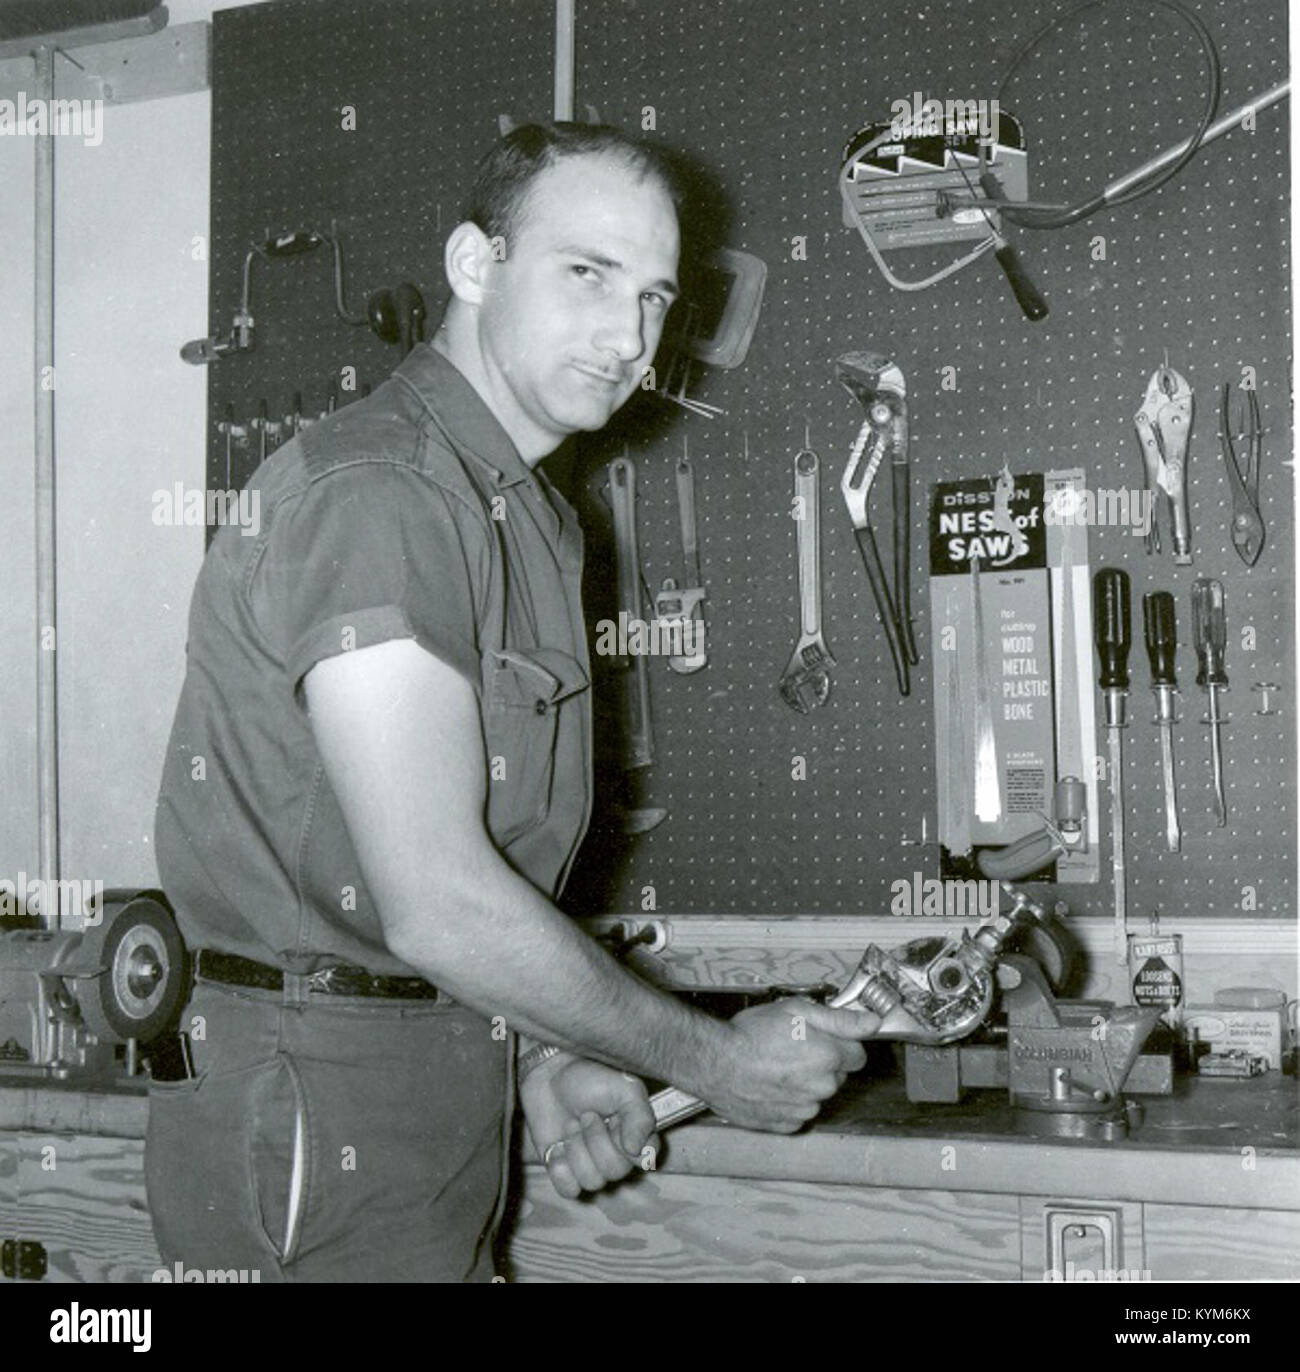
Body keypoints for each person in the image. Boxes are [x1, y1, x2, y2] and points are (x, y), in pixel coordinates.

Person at [146, 123, 884, 1284]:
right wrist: (714, 1059)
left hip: (434, 1087)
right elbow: (437, 900)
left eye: (652, 295)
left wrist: (547, 1054)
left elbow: (469, 883)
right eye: (585, 273)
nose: (628, 333)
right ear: (474, 265)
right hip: (310, 1105)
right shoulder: (383, 493)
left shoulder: (530, 518)